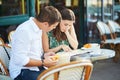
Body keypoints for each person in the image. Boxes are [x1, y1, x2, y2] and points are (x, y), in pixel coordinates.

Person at [9, 6, 61, 80]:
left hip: (36, 68)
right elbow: (20, 60)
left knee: (61, 75)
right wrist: (43, 62)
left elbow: (33, 54)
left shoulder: (39, 28)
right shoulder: (25, 31)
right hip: (21, 71)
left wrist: (44, 56)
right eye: (53, 26)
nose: (53, 29)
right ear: (45, 24)